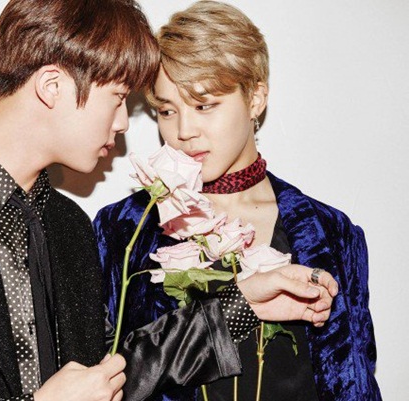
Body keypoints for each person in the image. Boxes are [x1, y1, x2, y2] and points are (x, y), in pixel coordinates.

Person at [0, 1, 337, 400]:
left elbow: (115, 375)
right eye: (118, 99)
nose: (123, 124)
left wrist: (241, 306)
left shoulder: (69, 226)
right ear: (53, 86)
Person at [94, 1, 380, 400]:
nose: (184, 130)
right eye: (167, 110)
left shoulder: (331, 233)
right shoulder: (125, 229)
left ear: (255, 98)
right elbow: (103, 378)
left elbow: (355, 382)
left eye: (204, 105)